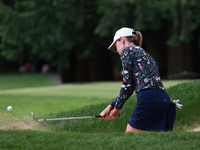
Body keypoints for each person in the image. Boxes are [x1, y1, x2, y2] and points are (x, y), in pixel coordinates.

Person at [100, 27, 180, 133]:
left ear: (122, 39)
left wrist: (117, 110)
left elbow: (127, 85)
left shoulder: (127, 50)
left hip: (149, 100)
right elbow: (131, 87)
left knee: (130, 138)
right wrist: (111, 106)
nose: (117, 51)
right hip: (164, 100)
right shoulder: (142, 52)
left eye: (116, 46)